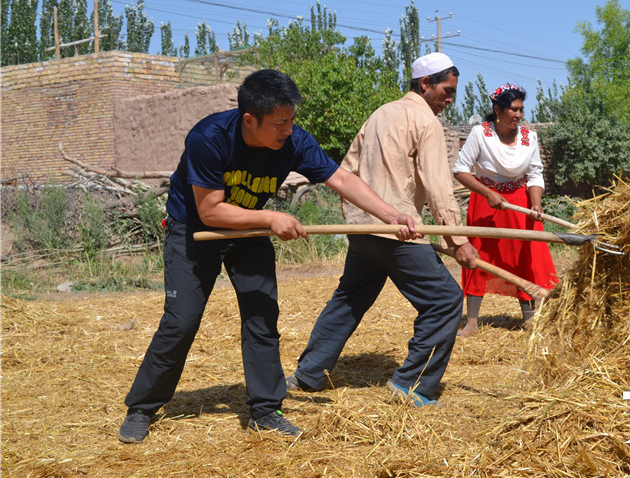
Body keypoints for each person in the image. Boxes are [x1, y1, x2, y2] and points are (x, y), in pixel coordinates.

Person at [117, 69, 419, 443]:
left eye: (291, 120)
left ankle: (265, 410)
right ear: (250, 120)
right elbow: (210, 211)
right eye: (280, 123)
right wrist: (271, 218)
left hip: (248, 232)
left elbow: (341, 179)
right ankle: (142, 407)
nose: (289, 130)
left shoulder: (294, 141)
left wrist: (390, 215)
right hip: (194, 231)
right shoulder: (208, 138)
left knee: (261, 315)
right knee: (182, 321)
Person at [286, 52, 479, 407]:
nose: (450, 99)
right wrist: (459, 240)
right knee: (445, 301)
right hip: (398, 230)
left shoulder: (380, 113)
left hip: (364, 230)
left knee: (349, 299)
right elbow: (438, 187)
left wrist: (355, 218)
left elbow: (347, 168)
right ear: (426, 84)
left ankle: (308, 373)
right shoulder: (426, 122)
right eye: (447, 91)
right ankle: (411, 384)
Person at [452, 83, 559, 338]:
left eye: (521, 109)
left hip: (520, 204)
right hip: (485, 203)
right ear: (498, 109)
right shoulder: (480, 134)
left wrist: (535, 202)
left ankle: (529, 319)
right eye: (514, 109)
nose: (519, 115)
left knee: (524, 258)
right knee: (477, 258)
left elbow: (535, 174)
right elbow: (460, 170)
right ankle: (472, 322)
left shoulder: (529, 137)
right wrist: (488, 193)